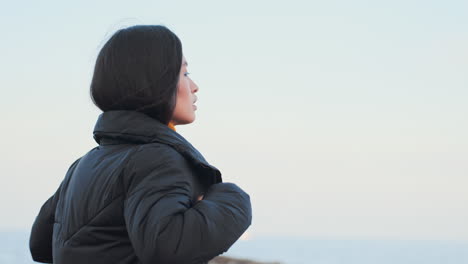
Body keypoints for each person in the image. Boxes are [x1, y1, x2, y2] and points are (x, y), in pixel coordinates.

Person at [29, 25, 252, 264]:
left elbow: (41, 245)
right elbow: (169, 246)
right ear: (155, 81)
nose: (194, 86)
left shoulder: (84, 164)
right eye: (185, 74)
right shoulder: (157, 158)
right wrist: (233, 199)